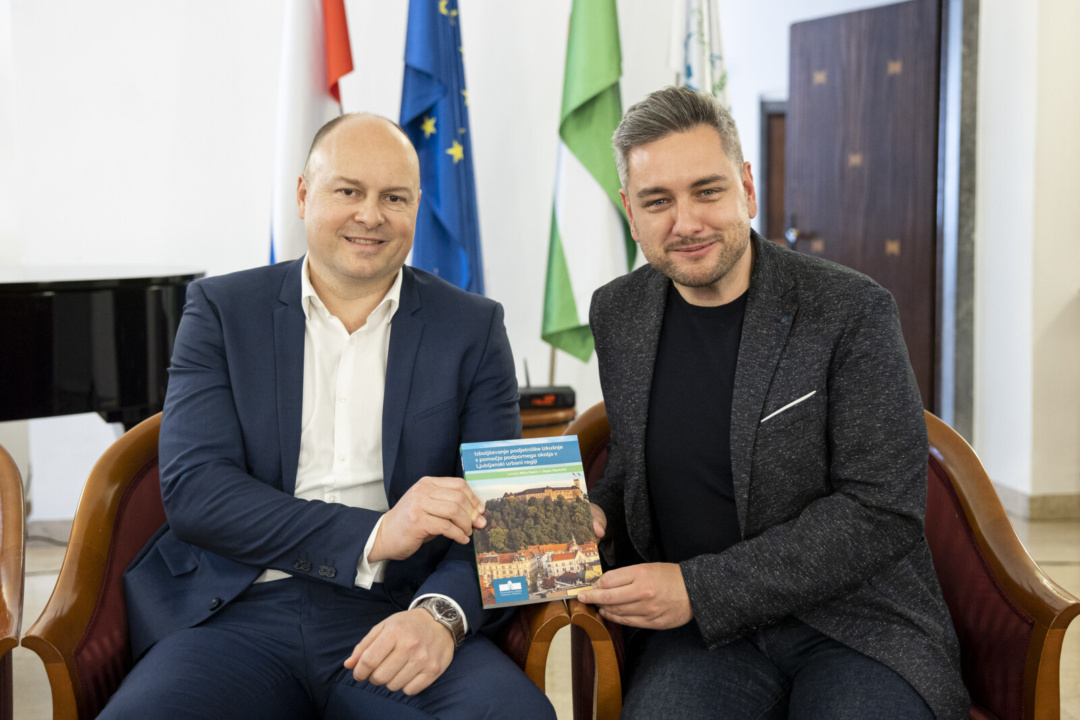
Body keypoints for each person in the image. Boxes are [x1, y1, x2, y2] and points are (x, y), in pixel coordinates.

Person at [100, 113, 555, 720]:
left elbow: (510, 521)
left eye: (394, 198)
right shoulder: (221, 311)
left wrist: (440, 615)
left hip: (401, 609)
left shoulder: (474, 327)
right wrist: (374, 535)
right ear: (303, 195)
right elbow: (196, 492)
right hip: (233, 612)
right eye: (348, 191)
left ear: (417, 207)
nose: (371, 215)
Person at [576, 87, 969, 719]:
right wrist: (597, 512)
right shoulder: (618, 312)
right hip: (702, 641)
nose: (686, 223)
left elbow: (881, 508)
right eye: (658, 201)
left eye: (707, 191)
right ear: (630, 211)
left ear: (747, 188)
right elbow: (634, 464)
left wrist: (699, 588)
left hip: (856, 625)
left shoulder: (851, 309)